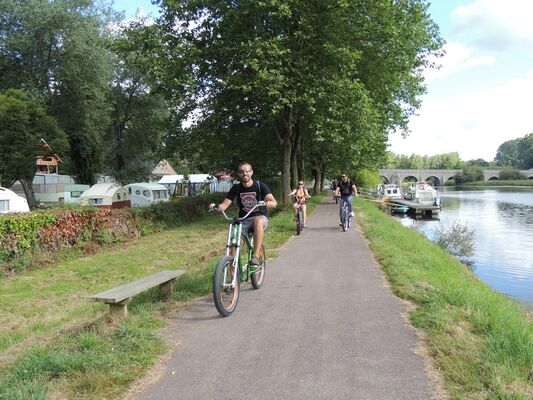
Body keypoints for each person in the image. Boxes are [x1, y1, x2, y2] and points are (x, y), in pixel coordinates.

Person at [209, 162, 277, 265]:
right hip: (243, 220)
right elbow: (224, 205)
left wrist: (267, 203)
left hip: (260, 217)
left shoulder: (260, 185)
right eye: (241, 172)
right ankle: (234, 278)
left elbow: (274, 202)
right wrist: (216, 206)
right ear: (238, 174)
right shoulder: (236, 188)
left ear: (251, 172)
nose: (245, 174)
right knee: (234, 244)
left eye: (247, 171)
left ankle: (256, 256)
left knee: (258, 220)